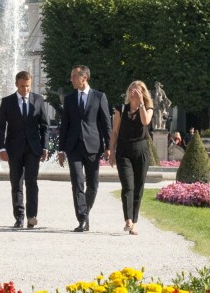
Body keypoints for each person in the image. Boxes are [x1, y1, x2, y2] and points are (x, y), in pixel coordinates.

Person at [58, 65, 111, 232]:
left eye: (74, 76)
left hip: (93, 146)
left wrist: (109, 146)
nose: (71, 79)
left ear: (84, 78)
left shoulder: (99, 97)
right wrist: (60, 149)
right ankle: (82, 218)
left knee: (93, 185)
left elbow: (105, 124)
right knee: (77, 183)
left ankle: (85, 213)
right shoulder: (69, 98)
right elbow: (64, 125)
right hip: (73, 146)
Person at [0, 70, 49, 229]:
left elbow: (44, 126)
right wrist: (1, 148)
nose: (25, 89)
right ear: (16, 84)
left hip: (33, 148)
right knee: (16, 183)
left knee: (32, 182)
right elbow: (0, 127)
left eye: (28, 86)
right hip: (13, 148)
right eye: (22, 86)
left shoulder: (38, 100)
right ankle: (19, 217)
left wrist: (44, 146)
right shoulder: (7, 102)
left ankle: (32, 216)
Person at [109, 81, 154, 236]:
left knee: (139, 187)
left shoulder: (148, 108)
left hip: (141, 150)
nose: (133, 92)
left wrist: (141, 104)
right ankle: (128, 219)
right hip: (124, 150)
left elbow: (145, 121)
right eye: (131, 89)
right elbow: (114, 132)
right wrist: (111, 151)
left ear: (143, 93)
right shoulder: (120, 109)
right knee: (128, 185)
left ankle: (134, 222)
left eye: (137, 90)